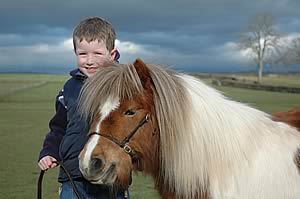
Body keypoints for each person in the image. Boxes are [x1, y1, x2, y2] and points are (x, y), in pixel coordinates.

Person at [37, 17, 128, 199]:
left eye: (97, 54)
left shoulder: (122, 87)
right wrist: (48, 152)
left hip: (110, 177)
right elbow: (58, 128)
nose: (89, 61)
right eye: (83, 54)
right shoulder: (69, 89)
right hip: (72, 178)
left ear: (112, 54)